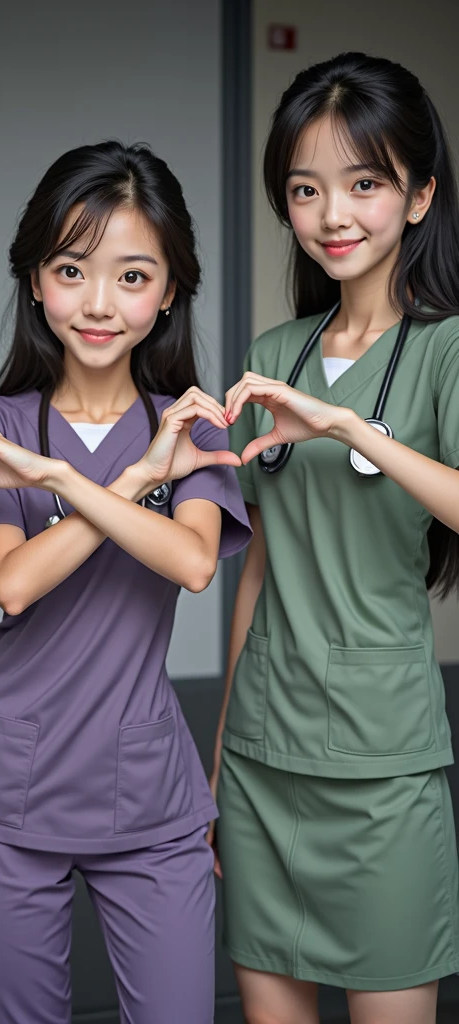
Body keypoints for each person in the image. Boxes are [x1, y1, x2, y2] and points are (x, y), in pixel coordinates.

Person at [0, 140, 251, 1024]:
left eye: (133, 275)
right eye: (72, 270)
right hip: (5, 800)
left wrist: (68, 482)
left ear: (171, 290)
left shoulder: (193, 427)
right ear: (35, 280)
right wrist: (125, 481)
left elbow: (191, 563)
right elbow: (15, 582)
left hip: (149, 800)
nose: (99, 304)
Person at [211, 51, 459, 1024]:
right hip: (264, 759)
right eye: (305, 188)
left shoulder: (443, 348)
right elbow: (259, 566)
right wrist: (224, 741)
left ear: (420, 193)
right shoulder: (275, 356)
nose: (332, 214)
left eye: (364, 183)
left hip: (383, 765)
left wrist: (352, 427)